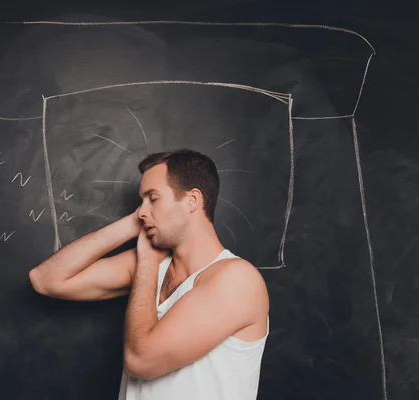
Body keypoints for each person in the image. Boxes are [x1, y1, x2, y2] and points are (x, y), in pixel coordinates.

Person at [29, 149, 270, 399]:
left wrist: (146, 262)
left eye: (153, 198)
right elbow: (45, 279)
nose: (141, 210)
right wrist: (133, 223)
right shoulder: (155, 264)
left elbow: (139, 361)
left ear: (192, 200)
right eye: (141, 201)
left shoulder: (237, 280)